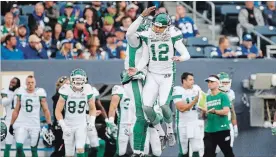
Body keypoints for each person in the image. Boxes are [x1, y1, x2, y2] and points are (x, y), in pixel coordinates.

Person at [128, 12, 191, 148]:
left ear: (167, 27)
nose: (157, 29)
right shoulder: (148, 35)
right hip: (152, 74)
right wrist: (137, 69)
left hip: (167, 75)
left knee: (163, 104)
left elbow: (186, 54)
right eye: (156, 26)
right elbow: (145, 57)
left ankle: (170, 131)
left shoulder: (173, 35)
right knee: (146, 107)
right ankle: (160, 133)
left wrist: (180, 58)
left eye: (160, 27)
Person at [123, 7, 156, 157]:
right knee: (141, 115)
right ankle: (137, 151)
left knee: (148, 115)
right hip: (135, 79)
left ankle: (141, 150)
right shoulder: (136, 40)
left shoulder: (152, 44)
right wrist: (142, 16)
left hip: (147, 80)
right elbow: (129, 32)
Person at [55, 69, 97, 157]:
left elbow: (92, 108)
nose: (78, 82)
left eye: (80, 79)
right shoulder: (65, 89)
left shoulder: (88, 89)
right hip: (68, 124)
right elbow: (58, 111)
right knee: (69, 154)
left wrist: (92, 122)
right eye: (76, 79)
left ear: (84, 80)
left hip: (81, 124)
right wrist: (63, 126)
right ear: (71, 79)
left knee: (80, 149)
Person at [9, 75, 53, 157]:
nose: (30, 84)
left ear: (35, 83)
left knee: (34, 150)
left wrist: (49, 124)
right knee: (19, 146)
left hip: (34, 125)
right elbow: (16, 110)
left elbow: (46, 110)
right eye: (28, 82)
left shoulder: (39, 92)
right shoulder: (21, 92)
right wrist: (11, 124)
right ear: (25, 83)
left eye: (32, 82)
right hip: (22, 124)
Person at [172, 72, 203, 157]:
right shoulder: (177, 90)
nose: (192, 81)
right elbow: (181, 108)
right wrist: (194, 101)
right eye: (190, 80)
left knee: (196, 148)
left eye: (193, 79)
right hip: (182, 124)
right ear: (184, 81)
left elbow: (203, 104)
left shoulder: (197, 89)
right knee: (184, 151)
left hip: (194, 122)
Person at [203, 75, 235, 157]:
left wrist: (214, 111)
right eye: (208, 82)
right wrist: (203, 112)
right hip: (209, 130)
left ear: (217, 83)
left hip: (222, 129)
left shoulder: (223, 96)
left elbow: (225, 111)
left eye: (212, 82)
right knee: (208, 154)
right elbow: (203, 117)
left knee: (228, 153)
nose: (209, 83)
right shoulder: (206, 98)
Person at [107, 79, 136, 157]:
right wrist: (111, 122)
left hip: (136, 123)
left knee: (137, 151)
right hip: (124, 123)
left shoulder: (141, 90)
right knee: (121, 152)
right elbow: (113, 107)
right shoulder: (119, 89)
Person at [214, 72, 238, 156]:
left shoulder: (231, 93)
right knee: (214, 150)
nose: (225, 84)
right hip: (216, 125)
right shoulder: (211, 93)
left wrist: (235, 125)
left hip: (228, 124)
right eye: (223, 82)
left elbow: (232, 110)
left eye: (227, 82)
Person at [1, 77, 21, 157]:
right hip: (8, 121)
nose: (11, 84)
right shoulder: (4, 91)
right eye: (10, 82)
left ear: (17, 85)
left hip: (19, 121)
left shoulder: (21, 92)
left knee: (19, 146)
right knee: (7, 145)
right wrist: (14, 95)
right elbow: (4, 102)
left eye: (13, 83)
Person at [50, 76, 69, 157]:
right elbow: (57, 113)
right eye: (66, 84)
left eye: (69, 84)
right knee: (60, 150)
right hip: (60, 126)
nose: (68, 86)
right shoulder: (57, 97)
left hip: (67, 125)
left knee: (66, 150)